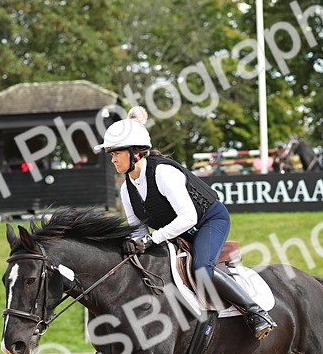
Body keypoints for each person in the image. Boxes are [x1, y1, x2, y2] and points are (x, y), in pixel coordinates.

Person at [95, 106, 276, 339]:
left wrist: (151, 239)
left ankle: (256, 312)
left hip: (209, 220)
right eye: (111, 155)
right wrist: (135, 242)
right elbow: (137, 227)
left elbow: (188, 217)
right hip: (176, 231)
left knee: (201, 270)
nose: (112, 160)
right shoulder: (126, 188)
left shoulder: (163, 173)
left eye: (116, 153)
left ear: (136, 153)